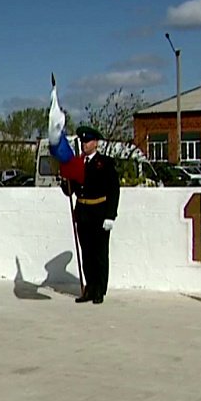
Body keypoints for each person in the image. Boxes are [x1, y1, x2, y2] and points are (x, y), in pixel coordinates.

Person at [64, 126, 120, 304]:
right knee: (86, 253)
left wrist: (110, 215)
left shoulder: (104, 163)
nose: (84, 144)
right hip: (83, 213)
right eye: (82, 141)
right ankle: (89, 288)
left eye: (87, 141)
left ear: (95, 143)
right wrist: (64, 179)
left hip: (99, 213)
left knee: (100, 254)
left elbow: (113, 190)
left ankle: (99, 290)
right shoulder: (78, 163)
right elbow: (70, 190)